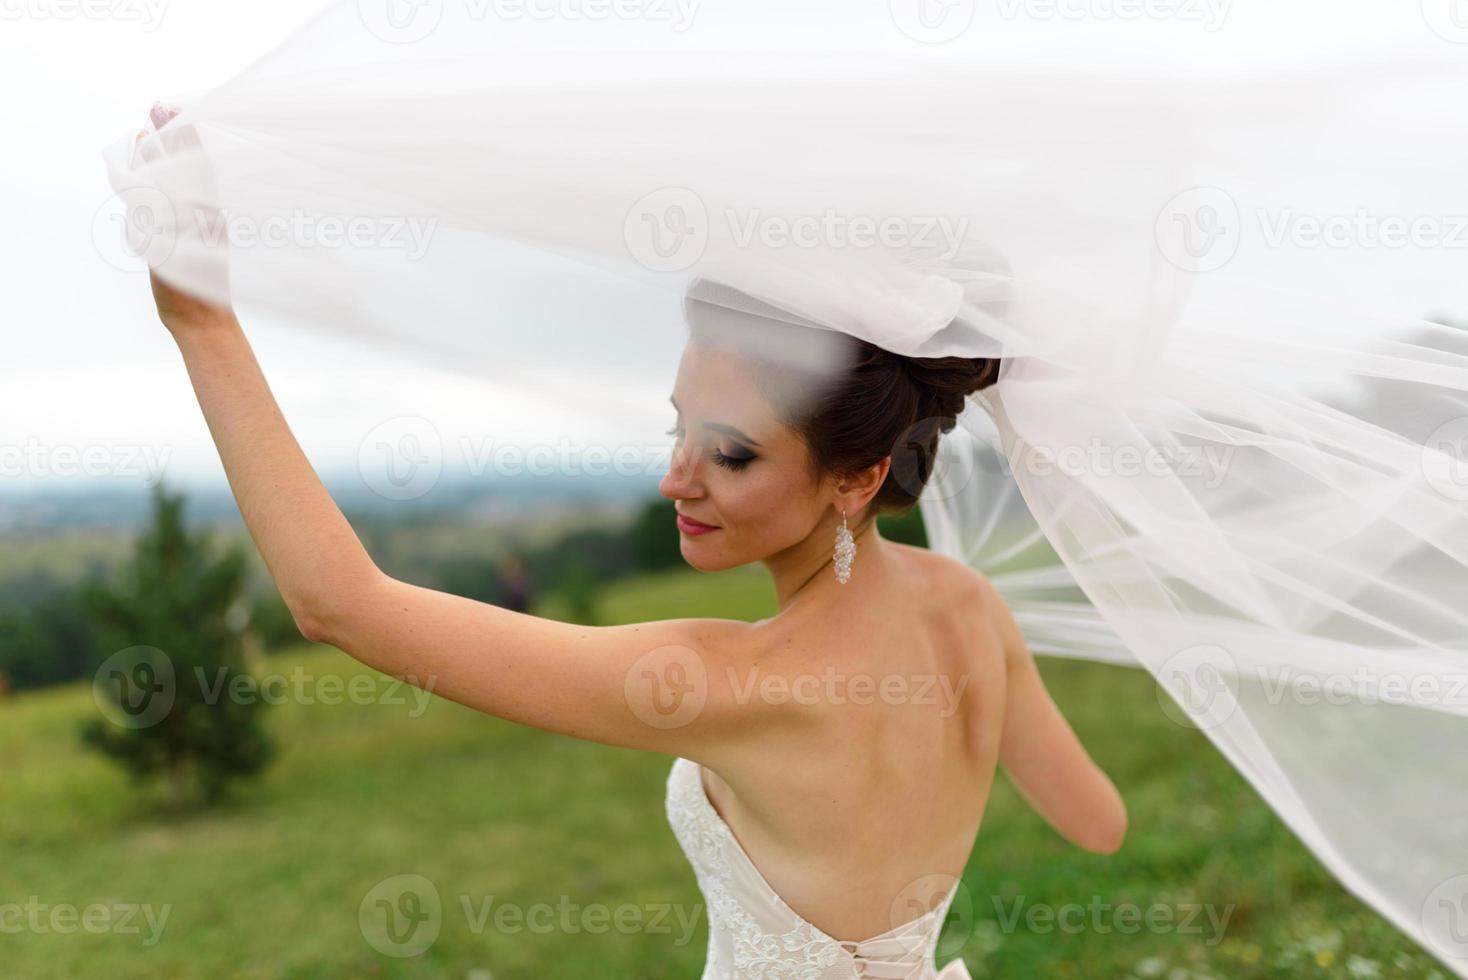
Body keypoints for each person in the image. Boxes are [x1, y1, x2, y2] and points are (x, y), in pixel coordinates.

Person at [144, 106, 1125, 978]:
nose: (675, 478)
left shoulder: (732, 680)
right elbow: (1097, 821)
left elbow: (338, 603)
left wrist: (202, 322)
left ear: (859, 474)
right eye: (678, 428)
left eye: (730, 454)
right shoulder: (969, 606)